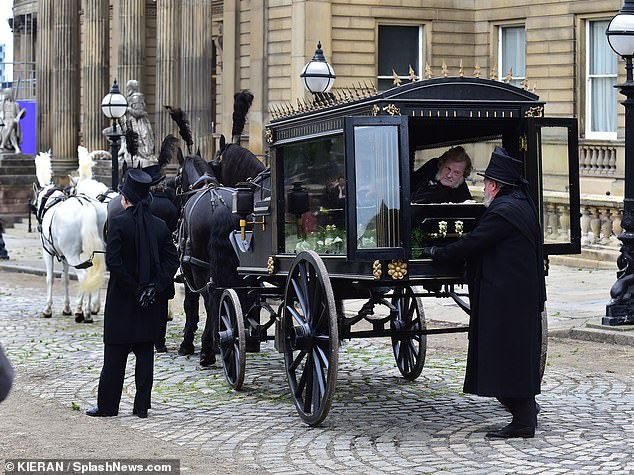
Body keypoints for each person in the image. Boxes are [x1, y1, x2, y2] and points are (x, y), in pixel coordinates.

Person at [422, 146, 545, 439]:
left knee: (506, 353)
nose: (484, 188)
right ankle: (524, 412)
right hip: (517, 293)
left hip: (507, 296)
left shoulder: (502, 211)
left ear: (494, 185)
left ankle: (524, 418)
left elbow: (473, 243)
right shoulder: (521, 204)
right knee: (512, 352)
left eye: (486, 182)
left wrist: (438, 252)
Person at [87, 169, 179, 418]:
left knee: (114, 359)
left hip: (122, 301)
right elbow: (173, 261)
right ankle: (141, 407)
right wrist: (154, 288)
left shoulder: (118, 223)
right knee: (145, 358)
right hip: (149, 304)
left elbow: (114, 263)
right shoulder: (160, 227)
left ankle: (108, 407)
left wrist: (135, 288)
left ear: (125, 200)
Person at [143, 164, 179, 353]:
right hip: (164, 260)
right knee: (162, 305)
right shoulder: (171, 206)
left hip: (145, 261)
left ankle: (143, 337)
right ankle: (160, 342)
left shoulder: (145, 206)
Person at [124, 80, 155, 166]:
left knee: (140, 141)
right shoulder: (131, 97)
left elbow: (139, 113)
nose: (127, 89)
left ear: (131, 88)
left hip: (139, 124)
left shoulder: (135, 97)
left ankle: (139, 156)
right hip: (132, 123)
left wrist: (127, 109)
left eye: (128, 87)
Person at [0, 88, 25, 154]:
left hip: (14, 122)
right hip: (4, 123)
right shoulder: (1, 104)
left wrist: (23, 112)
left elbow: (20, 116)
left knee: (11, 122)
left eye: (6, 93)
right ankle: (16, 148)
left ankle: (2, 144)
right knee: (12, 131)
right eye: (5, 93)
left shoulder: (16, 105)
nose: (5, 95)